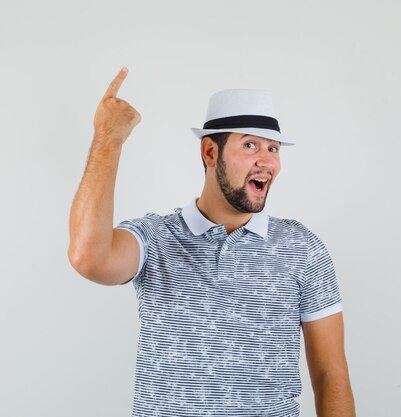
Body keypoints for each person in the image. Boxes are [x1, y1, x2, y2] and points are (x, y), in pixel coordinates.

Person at [68, 67, 356, 417]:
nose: (266, 161)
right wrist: (108, 137)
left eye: (273, 148)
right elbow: (88, 257)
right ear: (209, 153)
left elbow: (330, 376)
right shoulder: (156, 238)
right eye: (250, 145)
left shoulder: (302, 248)